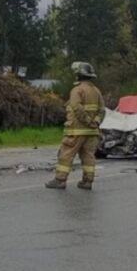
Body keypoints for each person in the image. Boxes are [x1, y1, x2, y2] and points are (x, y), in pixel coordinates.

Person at [46, 61, 105, 190]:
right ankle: (87, 181)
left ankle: (60, 180)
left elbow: (76, 107)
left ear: (78, 75)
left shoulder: (77, 90)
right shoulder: (96, 91)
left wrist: (87, 121)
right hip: (92, 132)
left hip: (76, 131)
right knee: (88, 156)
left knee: (66, 154)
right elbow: (102, 110)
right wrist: (96, 122)